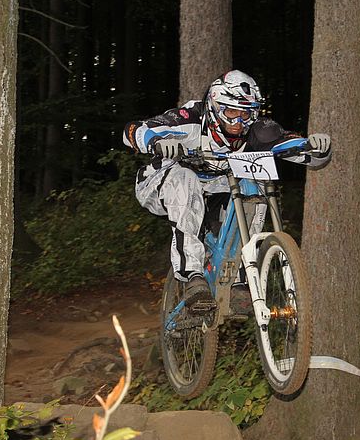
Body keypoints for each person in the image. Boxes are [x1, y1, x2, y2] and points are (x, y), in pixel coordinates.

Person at [123, 69, 332, 306]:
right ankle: (192, 276)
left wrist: (316, 148)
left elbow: (296, 148)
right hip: (159, 183)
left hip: (216, 187)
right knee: (185, 179)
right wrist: (156, 141)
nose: (238, 122)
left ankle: (239, 278)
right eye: (231, 112)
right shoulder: (189, 119)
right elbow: (133, 130)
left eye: (246, 114)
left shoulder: (258, 131)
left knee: (253, 183)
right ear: (214, 106)